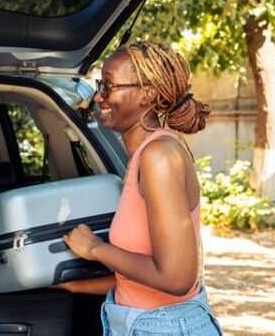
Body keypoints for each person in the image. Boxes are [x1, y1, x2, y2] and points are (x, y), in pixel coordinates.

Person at [56, 41, 221, 335]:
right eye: (99, 85)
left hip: (165, 327)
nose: (98, 96)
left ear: (148, 94)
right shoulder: (143, 157)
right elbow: (139, 276)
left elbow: (176, 278)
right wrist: (72, 286)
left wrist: (95, 248)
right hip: (144, 321)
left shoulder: (159, 157)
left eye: (108, 86)